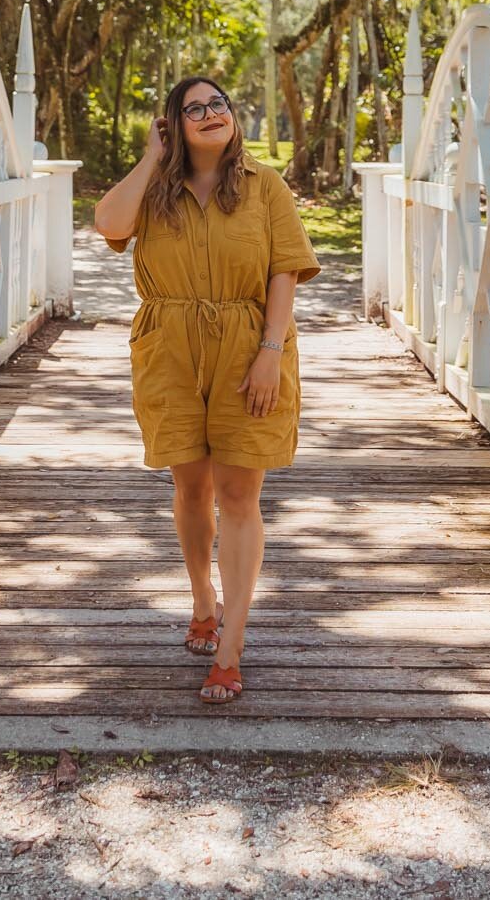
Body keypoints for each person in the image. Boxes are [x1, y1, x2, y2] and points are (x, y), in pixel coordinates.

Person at [94, 75, 321, 705]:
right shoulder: (155, 191)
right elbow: (108, 223)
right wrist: (151, 158)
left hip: (250, 346)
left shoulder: (263, 186)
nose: (210, 113)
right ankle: (202, 600)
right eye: (193, 109)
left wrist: (270, 353)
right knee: (190, 484)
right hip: (168, 348)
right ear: (174, 125)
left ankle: (231, 646)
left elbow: (283, 272)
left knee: (239, 493)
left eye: (218, 102)